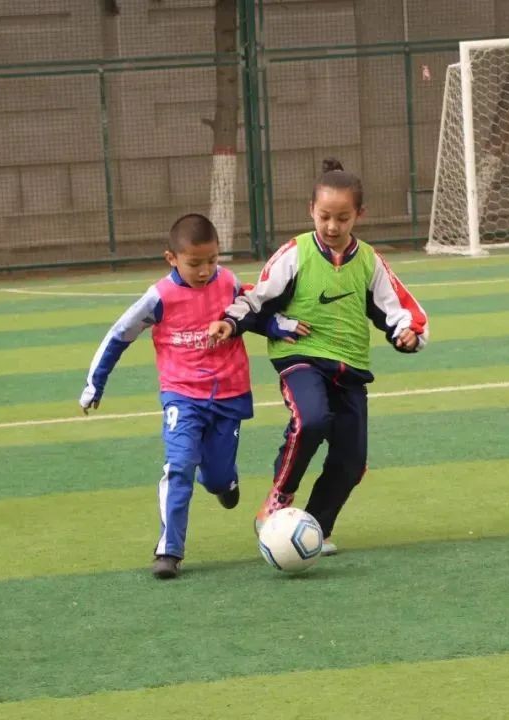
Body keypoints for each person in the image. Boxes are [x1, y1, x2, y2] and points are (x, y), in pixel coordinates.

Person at [209, 158, 429, 555]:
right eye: (324, 216)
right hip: (301, 358)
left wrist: (408, 334)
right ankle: (280, 496)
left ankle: (315, 530)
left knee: (351, 462)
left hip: (350, 368)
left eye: (342, 218)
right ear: (311, 209)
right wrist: (230, 321)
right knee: (311, 419)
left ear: (359, 215)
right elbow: (257, 297)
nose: (332, 226)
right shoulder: (295, 253)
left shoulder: (369, 261)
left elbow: (397, 307)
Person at [79, 213, 299, 579]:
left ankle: (224, 482)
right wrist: (94, 384)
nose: (204, 270)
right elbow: (120, 335)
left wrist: (277, 325)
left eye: (212, 260)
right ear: (172, 259)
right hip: (181, 396)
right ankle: (169, 550)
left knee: (216, 477)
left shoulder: (227, 283)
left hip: (229, 395)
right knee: (179, 465)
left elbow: (252, 314)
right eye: (194, 263)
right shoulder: (159, 298)